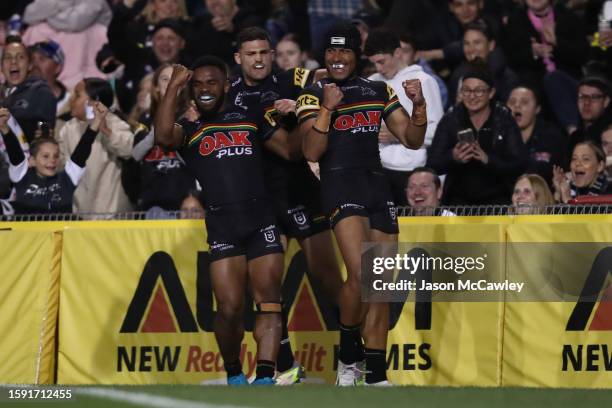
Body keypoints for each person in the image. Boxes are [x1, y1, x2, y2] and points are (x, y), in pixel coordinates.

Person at [298, 22, 427, 385]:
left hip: (376, 187)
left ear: (358, 55)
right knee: (360, 275)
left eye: (345, 51)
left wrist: (419, 106)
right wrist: (327, 108)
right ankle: (349, 355)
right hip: (340, 186)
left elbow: (411, 140)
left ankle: (376, 374)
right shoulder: (313, 94)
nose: (337, 58)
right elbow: (311, 150)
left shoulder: (378, 89)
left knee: (381, 286)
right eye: (331, 51)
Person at [155, 57, 294, 385]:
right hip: (223, 225)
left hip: (262, 220)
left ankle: (264, 377)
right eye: (198, 84)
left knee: (269, 302)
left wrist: (302, 114)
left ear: (226, 86)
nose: (204, 89)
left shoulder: (250, 117)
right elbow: (162, 136)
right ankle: (233, 373)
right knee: (229, 309)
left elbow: (291, 151)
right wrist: (174, 85)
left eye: (211, 82)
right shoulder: (190, 128)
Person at [229, 26, 343, 384]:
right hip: (258, 199)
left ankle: (355, 357)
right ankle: (287, 365)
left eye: (264, 52)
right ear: (239, 58)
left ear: (272, 54)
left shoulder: (292, 78)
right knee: (265, 290)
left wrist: (303, 103)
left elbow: (332, 80)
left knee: (327, 278)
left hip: (301, 191)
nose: (259, 59)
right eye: (251, 54)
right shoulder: (228, 95)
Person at [427, 62, 527, 205]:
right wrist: (453, 157)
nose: (472, 96)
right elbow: (433, 164)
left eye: (479, 90)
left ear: (491, 93)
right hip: (457, 202)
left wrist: (488, 160)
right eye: (466, 90)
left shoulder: (504, 119)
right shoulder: (451, 119)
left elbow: (519, 164)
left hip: (498, 201)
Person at [364, 28, 444, 206]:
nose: (379, 68)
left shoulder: (423, 81)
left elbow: (436, 131)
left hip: (411, 172)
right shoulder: (371, 82)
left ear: (398, 53)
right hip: (377, 169)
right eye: (374, 63)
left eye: (382, 61)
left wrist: (397, 134)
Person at [0, 103, 104, 214]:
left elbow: (82, 151)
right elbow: (14, 152)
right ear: (32, 160)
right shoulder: (22, 176)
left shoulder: (68, 179)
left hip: (61, 232)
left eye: (56, 155)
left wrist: (96, 123)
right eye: (45, 156)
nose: (52, 160)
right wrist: (5, 128)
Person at [504, 0, 589, 133]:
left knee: (554, 79)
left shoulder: (568, 17)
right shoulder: (516, 20)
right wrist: (533, 52)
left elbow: (583, 55)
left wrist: (556, 42)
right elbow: (510, 58)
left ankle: (574, 133)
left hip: (569, 84)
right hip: (534, 86)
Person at [57, 78, 134, 215]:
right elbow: (61, 168)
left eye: (78, 95)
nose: (71, 99)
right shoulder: (68, 129)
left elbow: (129, 149)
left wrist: (106, 131)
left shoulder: (114, 123)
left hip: (112, 215)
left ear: (94, 102)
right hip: (80, 214)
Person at [130, 63, 196, 216]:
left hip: (186, 202)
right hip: (152, 204)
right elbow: (136, 154)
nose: (171, 83)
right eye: (165, 79)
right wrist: (161, 128)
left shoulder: (192, 116)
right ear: (156, 88)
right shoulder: (145, 120)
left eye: (175, 78)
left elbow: (195, 160)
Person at [448, 20, 519, 105]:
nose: (471, 49)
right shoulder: (458, 75)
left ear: (491, 45)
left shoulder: (507, 78)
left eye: (477, 43)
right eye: (466, 43)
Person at [506, 85, 566, 185]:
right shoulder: (498, 135)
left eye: (524, 102)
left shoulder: (552, 137)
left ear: (537, 108)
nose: (517, 106)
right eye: (512, 102)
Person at [0, 36, 56, 143]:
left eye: (20, 57)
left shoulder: (41, 92)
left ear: (30, 65)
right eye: (7, 57)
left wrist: (43, 128)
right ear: (1, 67)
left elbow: (44, 123)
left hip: (26, 156)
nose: (13, 62)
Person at [567, 76, 612, 158]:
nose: (586, 102)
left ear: (606, 101)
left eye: (594, 97)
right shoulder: (576, 137)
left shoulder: (609, 133)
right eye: (582, 97)